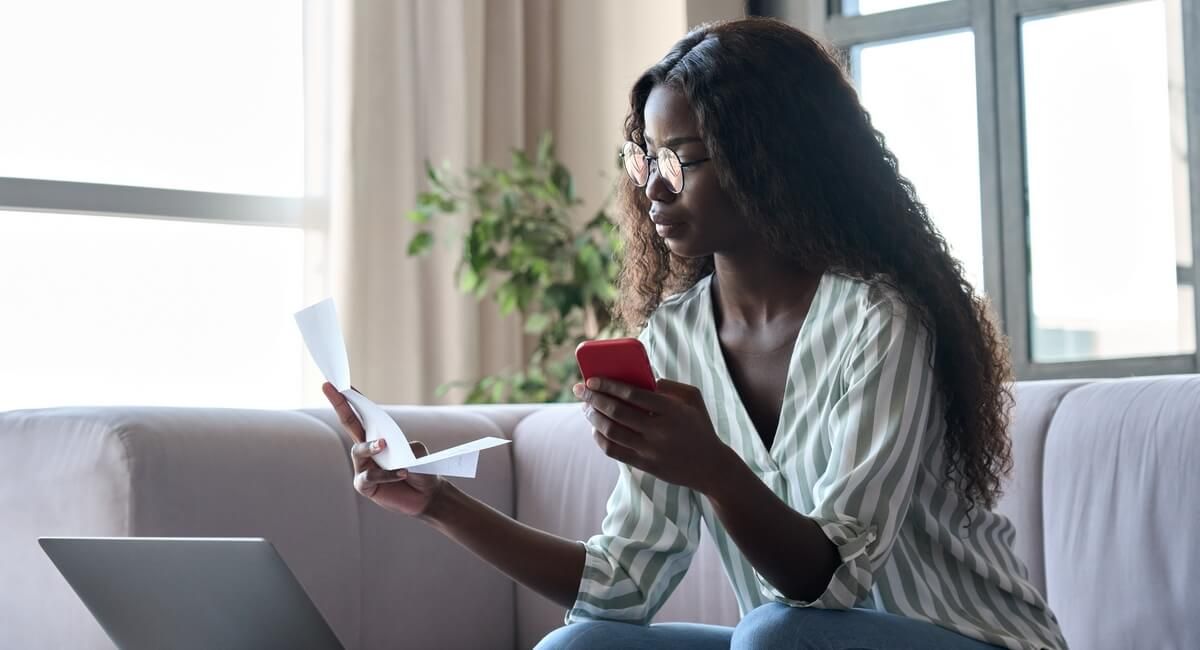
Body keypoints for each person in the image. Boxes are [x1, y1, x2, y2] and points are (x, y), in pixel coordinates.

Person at [323, 17, 1067, 650]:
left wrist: (711, 466)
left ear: (770, 160)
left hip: (970, 638)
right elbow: (621, 585)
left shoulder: (882, 320)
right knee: (578, 643)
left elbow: (831, 584)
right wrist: (438, 502)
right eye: (645, 156)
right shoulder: (676, 338)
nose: (651, 185)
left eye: (679, 159)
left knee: (777, 634)